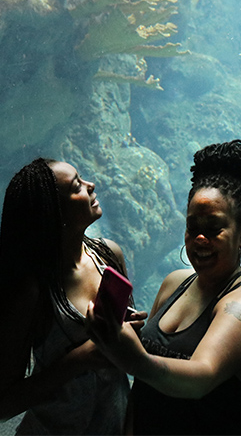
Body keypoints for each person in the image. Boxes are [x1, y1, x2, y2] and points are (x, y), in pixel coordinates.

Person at [87, 139, 241, 435]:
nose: (200, 239)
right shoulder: (174, 282)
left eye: (214, 229)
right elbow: (144, 391)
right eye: (192, 228)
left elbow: (201, 378)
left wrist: (134, 357)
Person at [0, 158, 143, 434]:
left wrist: (129, 331)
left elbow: (126, 355)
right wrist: (79, 359)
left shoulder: (109, 255)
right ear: (55, 214)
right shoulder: (33, 291)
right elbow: (4, 404)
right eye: (77, 186)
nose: (91, 186)